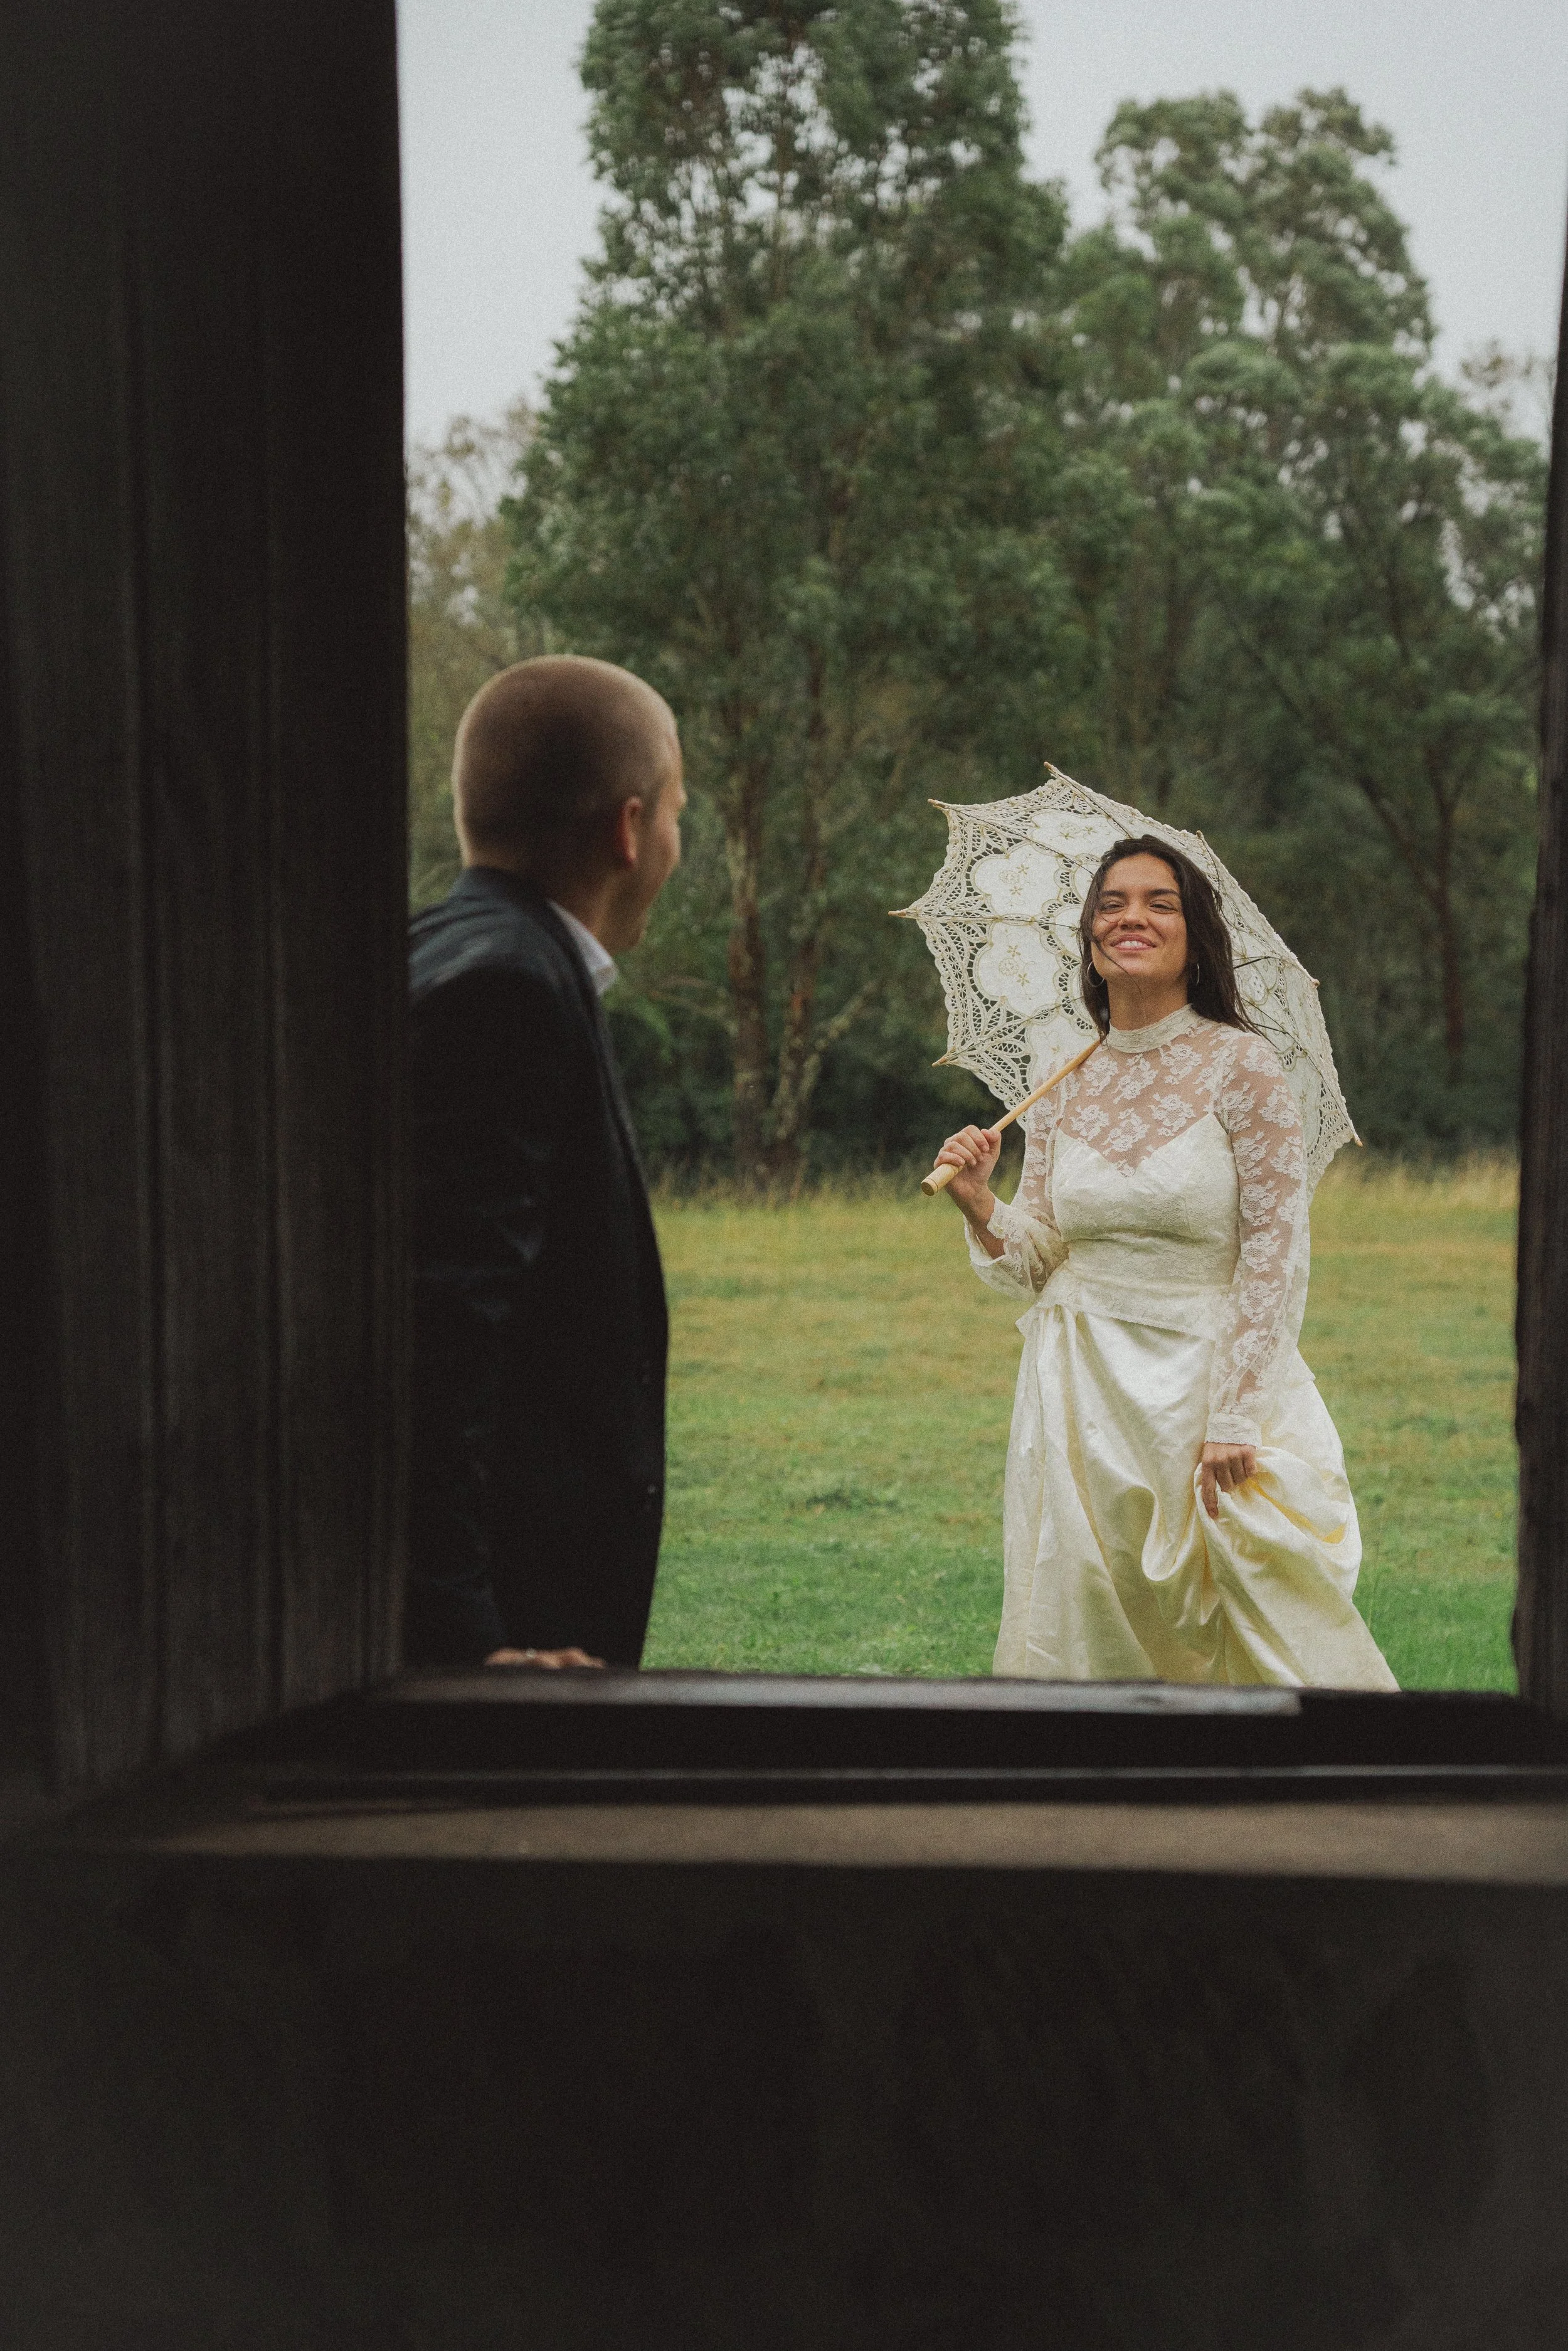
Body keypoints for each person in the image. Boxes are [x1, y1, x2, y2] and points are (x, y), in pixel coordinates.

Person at [933, 837, 1396, 1689]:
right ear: (1089, 934)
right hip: (1079, 1396)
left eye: (1160, 902)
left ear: (1195, 936)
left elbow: (1276, 1250)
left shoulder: (1244, 1065)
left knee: (1244, 1611)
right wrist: (980, 1202)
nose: (1132, 917)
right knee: (1086, 1608)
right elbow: (1038, 1255)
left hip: (1203, 1390)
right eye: (1112, 903)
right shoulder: (1060, 1074)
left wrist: (1236, 1413)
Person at [406, 655, 686, 1670]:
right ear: (627, 827)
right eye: (675, 815)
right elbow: (438, 1327)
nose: (672, 845)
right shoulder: (509, 989)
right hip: (508, 1645)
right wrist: (466, 1644)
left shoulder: (446, 946)